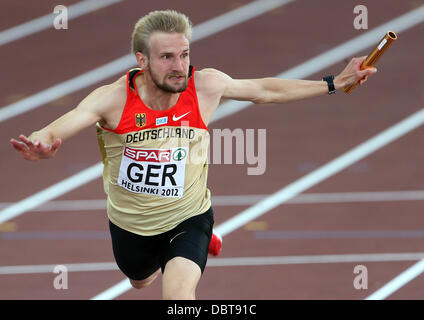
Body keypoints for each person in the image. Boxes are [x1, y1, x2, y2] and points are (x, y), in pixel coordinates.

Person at [10, 10, 377, 300]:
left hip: (189, 215)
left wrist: (333, 83)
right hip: (130, 223)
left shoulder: (205, 86)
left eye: (184, 54)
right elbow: (65, 122)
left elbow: (265, 90)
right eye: (167, 57)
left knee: (180, 295)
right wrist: (42, 142)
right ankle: (158, 261)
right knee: (140, 282)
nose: (179, 65)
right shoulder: (113, 99)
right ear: (142, 60)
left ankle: (203, 238)